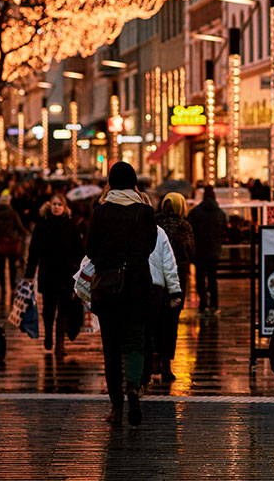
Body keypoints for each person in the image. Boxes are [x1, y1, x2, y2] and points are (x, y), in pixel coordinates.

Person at [85, 162, 157, 426]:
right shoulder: (146, 212)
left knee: (111, 349)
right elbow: (150, 247)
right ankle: (133, 390)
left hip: (109, 288)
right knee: (136, 344)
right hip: (138, 288)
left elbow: (90, 249)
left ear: (111, 182)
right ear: (134, 182)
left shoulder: (101, 212)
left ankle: (116, 407)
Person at [24, 194, 83, 356]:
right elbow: (34, 251)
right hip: (48, 273)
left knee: (64, 308)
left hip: (66, 274)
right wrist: (29, 272)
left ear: (64, 208)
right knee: (49, 309)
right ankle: (49, 334)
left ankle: (60, 344)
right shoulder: (42, 224)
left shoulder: (70, 225)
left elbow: (79, 250)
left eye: (59, 204)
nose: (56, 207)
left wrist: (80, 270)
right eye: (54, 204)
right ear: (49, 206)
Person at [154, 192, 194, 382]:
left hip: (156, 276)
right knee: (171, 322)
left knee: (154, 319)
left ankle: (153, 357)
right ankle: (166, 364)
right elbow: (191, 251)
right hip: (177, 278)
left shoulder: (154, 223)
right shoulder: (184, 226)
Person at [143, 224, 184, 385]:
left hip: (133, 286)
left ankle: (141, 373)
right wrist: (174, 290)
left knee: (140, 331)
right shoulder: (158, 231)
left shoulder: (127, 226)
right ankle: (150, 367)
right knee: (154, 327)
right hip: (155, 286)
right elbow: (169, 263)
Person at [187, 185, 226, 314]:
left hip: (199, 252)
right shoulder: (220, 213)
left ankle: (203, 305)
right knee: (213, 279)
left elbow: (189, 229)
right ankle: (214, 305)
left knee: (200, 280)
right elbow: (224, 231)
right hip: (214, 252)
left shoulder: (195, 212)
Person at [0, 194, 29, 297]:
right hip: (12, 242)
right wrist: (25, 232)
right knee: (12, 267)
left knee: (1, 267)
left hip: (1, 242)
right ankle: (12, 287)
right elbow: (19, 226)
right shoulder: (13, 213)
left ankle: (3, 288)